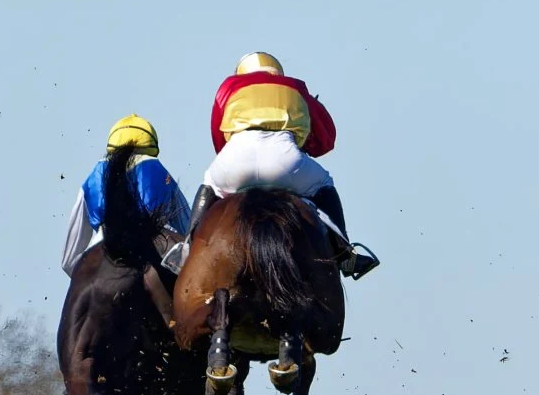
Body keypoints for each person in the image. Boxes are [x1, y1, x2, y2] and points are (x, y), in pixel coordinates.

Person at [188, 52, 378, 278]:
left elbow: (219, 140)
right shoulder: (296, 88)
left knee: (210, 182)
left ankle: (187, 252)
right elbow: (326, 140)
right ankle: (345, 254)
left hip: (236, 159)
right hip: (284, 160)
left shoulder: (228, 88)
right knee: (324, 183)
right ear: (277, 71)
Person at [61, 114, 191, 275]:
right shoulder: (157, 169)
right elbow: (188, 229)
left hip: (101, 241)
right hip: (155, 245)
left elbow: (68, 261)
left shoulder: (92, 177)